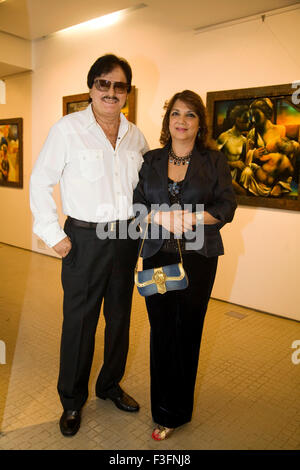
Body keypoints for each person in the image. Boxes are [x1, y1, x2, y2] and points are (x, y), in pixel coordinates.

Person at [30, 54, 149, 437]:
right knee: (80, 324)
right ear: (91, 88)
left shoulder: (136, 136)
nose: (111, 92)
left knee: (119, 319)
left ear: (127, 93)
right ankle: (71, 401)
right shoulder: (67, 130)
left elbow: (144, 189)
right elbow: (39, 181)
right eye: (103, 84)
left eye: (119, 86)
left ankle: (109, 384)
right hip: (84, 238)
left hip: (125, 238)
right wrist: (54, 234)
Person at [133, 90, 237, 440]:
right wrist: (160, 215)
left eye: (190, 115)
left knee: (188, 330)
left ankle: (178, 410)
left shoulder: (214, 161)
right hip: (158, 255)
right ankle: (161, 408)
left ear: (199, 123)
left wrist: (191, 217)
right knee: (162, 328)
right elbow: (137, 204)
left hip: (199, 259)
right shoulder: (151, 160)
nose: (181, 120)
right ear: (168, 121)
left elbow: (227, 206)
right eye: (175, 114)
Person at [217, 104, 250, 194]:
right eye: (245, 120)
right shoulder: (225, 136)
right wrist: (233, 164)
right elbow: (212, 160)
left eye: (248, 120)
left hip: (235, 178)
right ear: (237, 119)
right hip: (223, 176)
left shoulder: (244, 140)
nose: (247, 123)